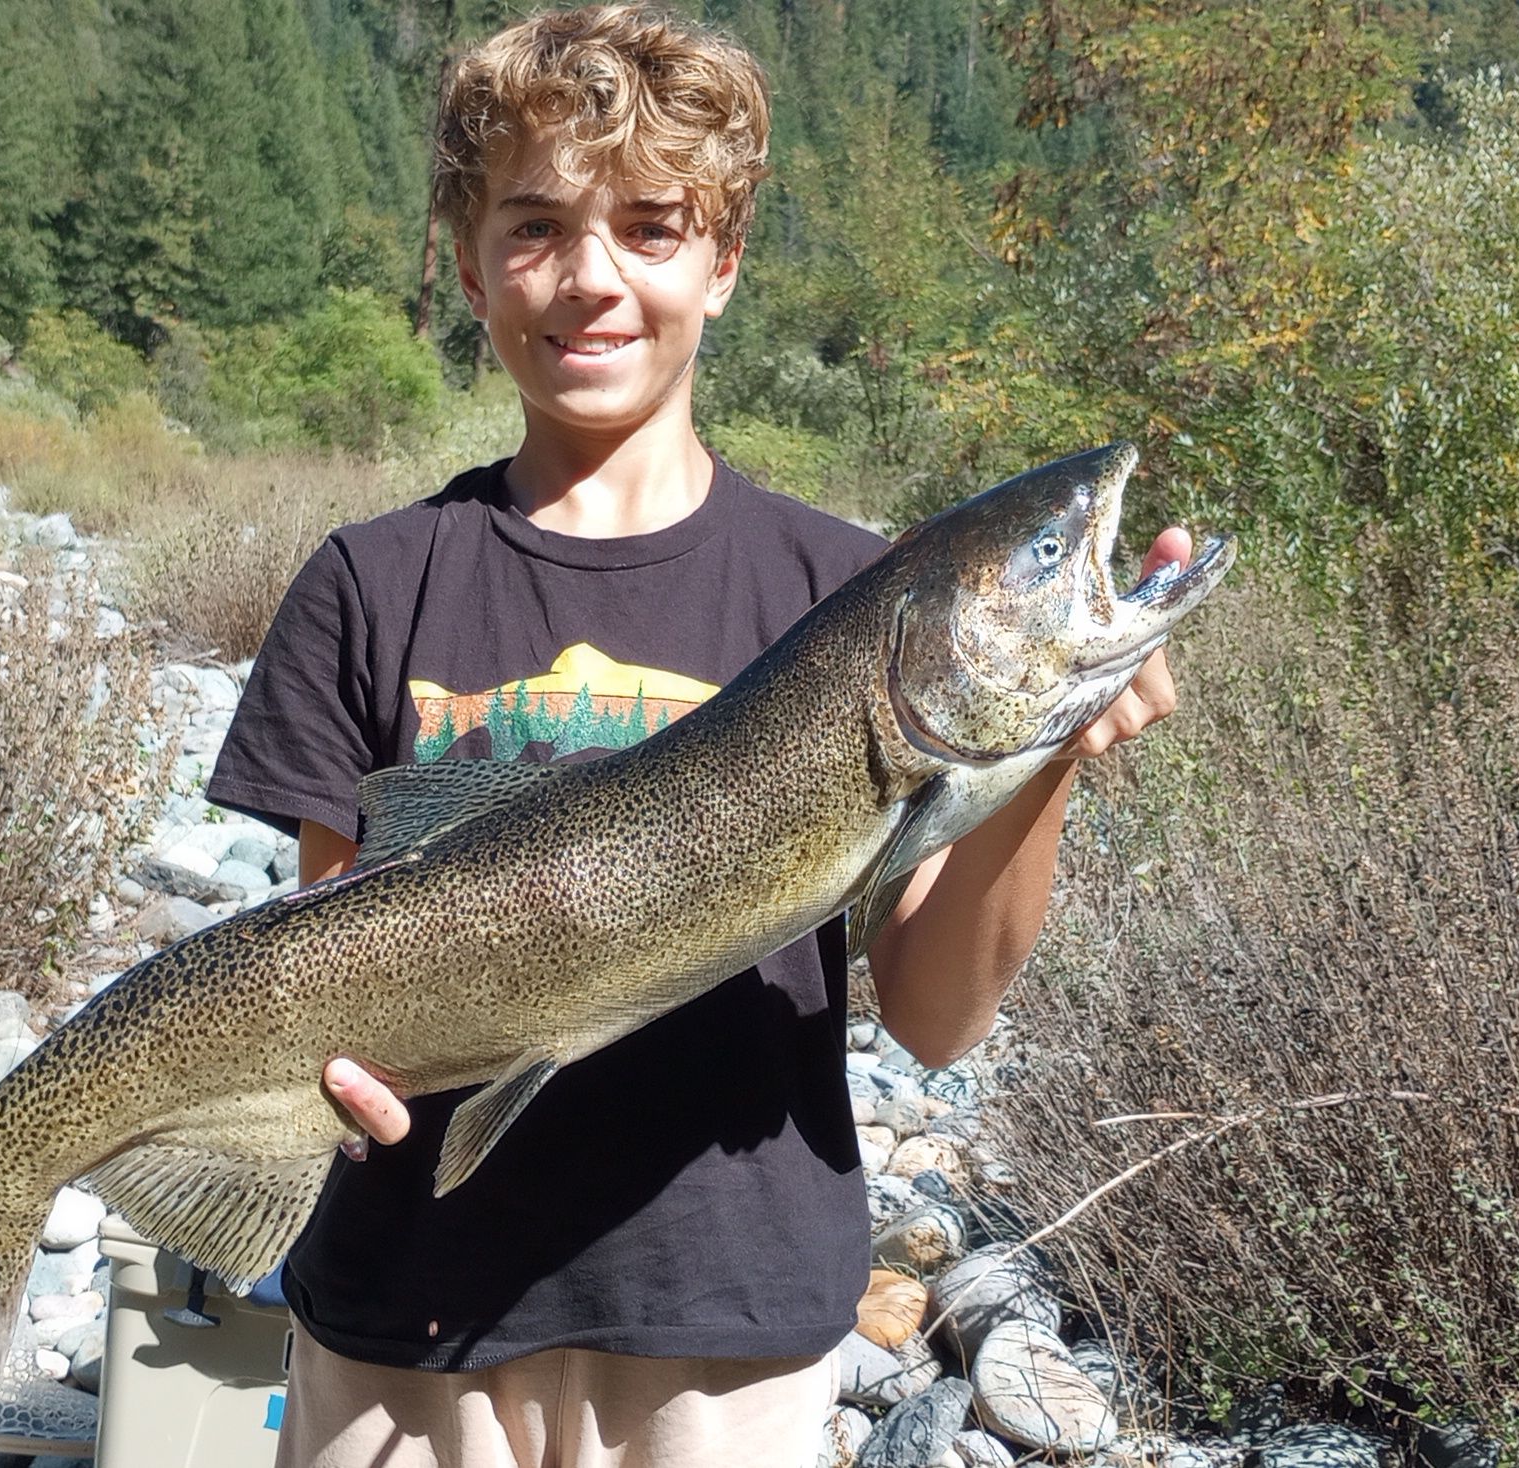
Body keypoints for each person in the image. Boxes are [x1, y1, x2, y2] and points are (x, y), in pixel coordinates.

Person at [202, 8, 1192, 1465]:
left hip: (726, 1335)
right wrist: (315, 1084)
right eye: (536, 228)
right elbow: (331, 946)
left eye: (651, 229)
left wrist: (1045, 752)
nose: (591, 276)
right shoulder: (372, 580)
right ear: (470, 264)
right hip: (404, 1319)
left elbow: (934, 1020)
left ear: (722, 264)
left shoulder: (841, 591)